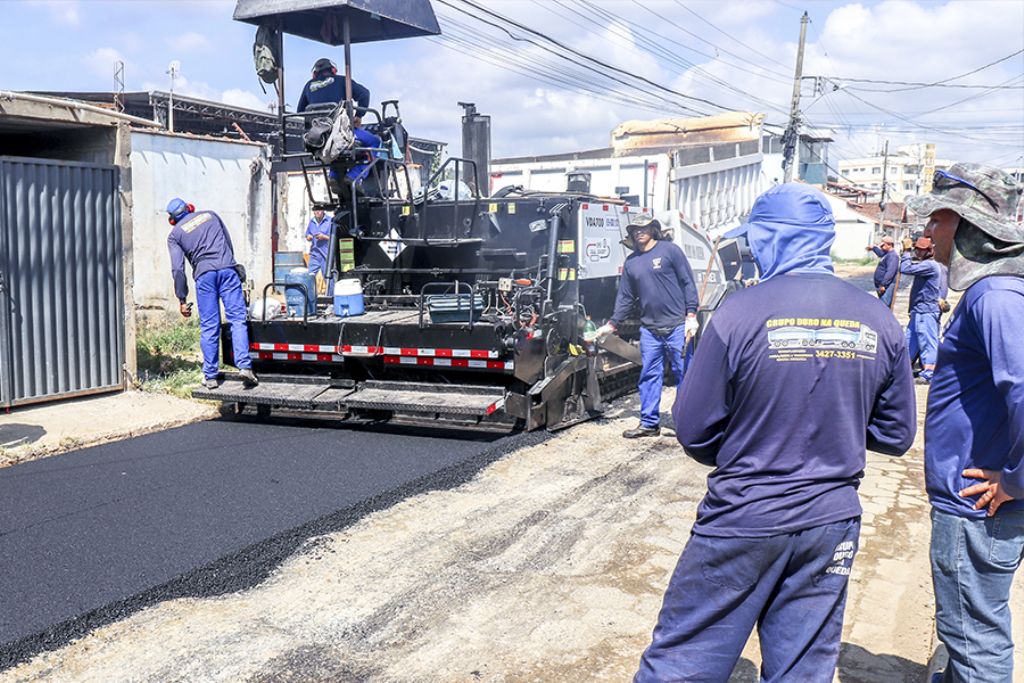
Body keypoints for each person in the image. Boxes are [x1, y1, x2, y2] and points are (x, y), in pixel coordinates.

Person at [635, 183, 916, 682]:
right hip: (830, 524)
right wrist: (838, 425)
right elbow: (895, 434)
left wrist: (755, 436)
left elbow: (693, 429)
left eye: (755, 239)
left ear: (770, 238)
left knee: (684, 661)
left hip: (744, 516)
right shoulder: (878, 318)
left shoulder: (738, 314)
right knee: (802, 669)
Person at [906, 164, 1024, 683]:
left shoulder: (996, 297)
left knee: (975, 641)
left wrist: (1017, 479)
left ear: (971, 226)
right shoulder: (997, 293)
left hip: (977, 506)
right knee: (967, 636)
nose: (929, 233)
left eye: (939, 220)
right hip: (980, 503)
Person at [596, 215, 698, 439]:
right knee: (649, 375)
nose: (639, 232)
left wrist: (691, 314)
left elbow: (687, 282)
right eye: (635, 230)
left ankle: (687, 424)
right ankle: (649, 424)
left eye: (643, 228)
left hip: (677, 326)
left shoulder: (670, 251)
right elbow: (625, 297)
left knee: (685, 374)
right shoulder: (632, 263)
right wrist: (612, 324)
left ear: (653, 229)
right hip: (650, 329)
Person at [166, 198, 258, 390]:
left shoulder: (175, 234)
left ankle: (210, 376)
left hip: (204, 276)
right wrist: (232, 265)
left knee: (210, 325)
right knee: (237, 319)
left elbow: (178, 270)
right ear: (190, 208)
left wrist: (182, 298)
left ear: (172, 219)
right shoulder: (211, 215)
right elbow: (227, 242)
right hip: (227, 270)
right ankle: (244, 366)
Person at [899, 234, 944, 384]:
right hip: (918, 310)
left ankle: (929, 373)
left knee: (927, 341)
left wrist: (906, 251)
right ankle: (901, 369)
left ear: (929, 251)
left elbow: (905, 268)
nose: (918, 252)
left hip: (927, 310)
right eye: (917, 249)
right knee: (910, 341)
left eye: (921, 250)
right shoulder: (925, 264)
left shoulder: (929, 265)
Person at [297, 58, 370, 120]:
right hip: (339, 130)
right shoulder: (343, 80)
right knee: (373, 137)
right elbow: (364, 94)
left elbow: (300, 112)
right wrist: (358, 116)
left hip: (315, 131)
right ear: (333, 70)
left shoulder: (308, 85)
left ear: (315, 74)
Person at [865, 234, 898, 306]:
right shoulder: (886, 254)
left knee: (884, 306)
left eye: (883, 245)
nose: (881, 246)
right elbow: (880, 253)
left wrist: (883, 284)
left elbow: (890, 272)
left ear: (889, 245)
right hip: (880, 285)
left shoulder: (893, 256)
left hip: (885, 286)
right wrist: (873, 248)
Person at [305, 207, 333, 292]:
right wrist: (308, 237)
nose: (317, 212)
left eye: (319, 210)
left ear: (323, 211)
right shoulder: (312, 222)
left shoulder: (330, 221)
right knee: (309, 275)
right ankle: (308, 296)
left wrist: (323, 236)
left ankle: (330, 299)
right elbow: (307, 234)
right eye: (315, 210)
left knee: (328, 277)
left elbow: (334, 237)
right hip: (315, 254)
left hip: (326, 254)